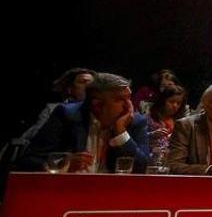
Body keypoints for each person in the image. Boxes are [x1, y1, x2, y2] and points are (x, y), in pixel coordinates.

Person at [19, 72, 150, 174]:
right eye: (120, 100)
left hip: (115, 195)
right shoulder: (67, 115)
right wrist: (64, 164)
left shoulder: (136, 121)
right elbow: (28, 161)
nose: (129, 106)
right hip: (69, 193)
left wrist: (120, 133)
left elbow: (142, 168)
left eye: (129, 98)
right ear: (97, 105)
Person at [21, 68, 95, 144]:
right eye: (83, 82)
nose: (89, 86)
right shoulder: (53, 109)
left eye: (92, 83)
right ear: (70, 89)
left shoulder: (102, 110)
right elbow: (39, 136)